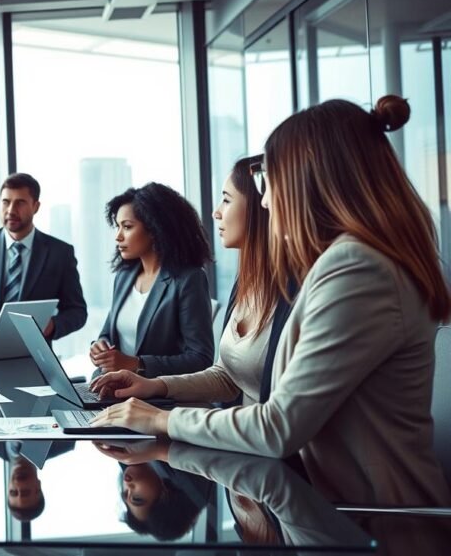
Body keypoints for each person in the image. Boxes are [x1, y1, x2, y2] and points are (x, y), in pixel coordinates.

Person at [90, 95, 451, 507]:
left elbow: (279, 426)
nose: (265, 201)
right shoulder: (349, 262)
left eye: (271, 185)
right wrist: (155, 389)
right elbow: (240, 380)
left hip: (376, 524)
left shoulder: (357, 268)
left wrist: (160, 419)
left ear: (310, 181)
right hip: (334, 512)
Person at [90, 157, 295, 406]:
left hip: (181, 408)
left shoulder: (189, 279)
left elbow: (203, 360)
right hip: (137, 396)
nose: (216, 211)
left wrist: (139, 368)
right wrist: (103, 352)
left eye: (227, 200)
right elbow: (225, 376)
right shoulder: (246, 282)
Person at [0, 173, 87, 385]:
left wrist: (52, 325)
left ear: (36, 206)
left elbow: (78, 311)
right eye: (5, 202)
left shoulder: (60, 253)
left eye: (20, 203)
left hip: (34, 363)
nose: (11, 210)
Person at [89, 182, 214, 378]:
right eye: (118, 227)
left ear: (155, 230)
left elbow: (201, 358)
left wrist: (136, 364)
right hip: (113, 388)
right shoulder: (124, 277)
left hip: (157, 397)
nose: (118, 237)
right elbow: (108, 334)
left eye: (127, 227)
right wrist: (100, 348)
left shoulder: (189, 280)